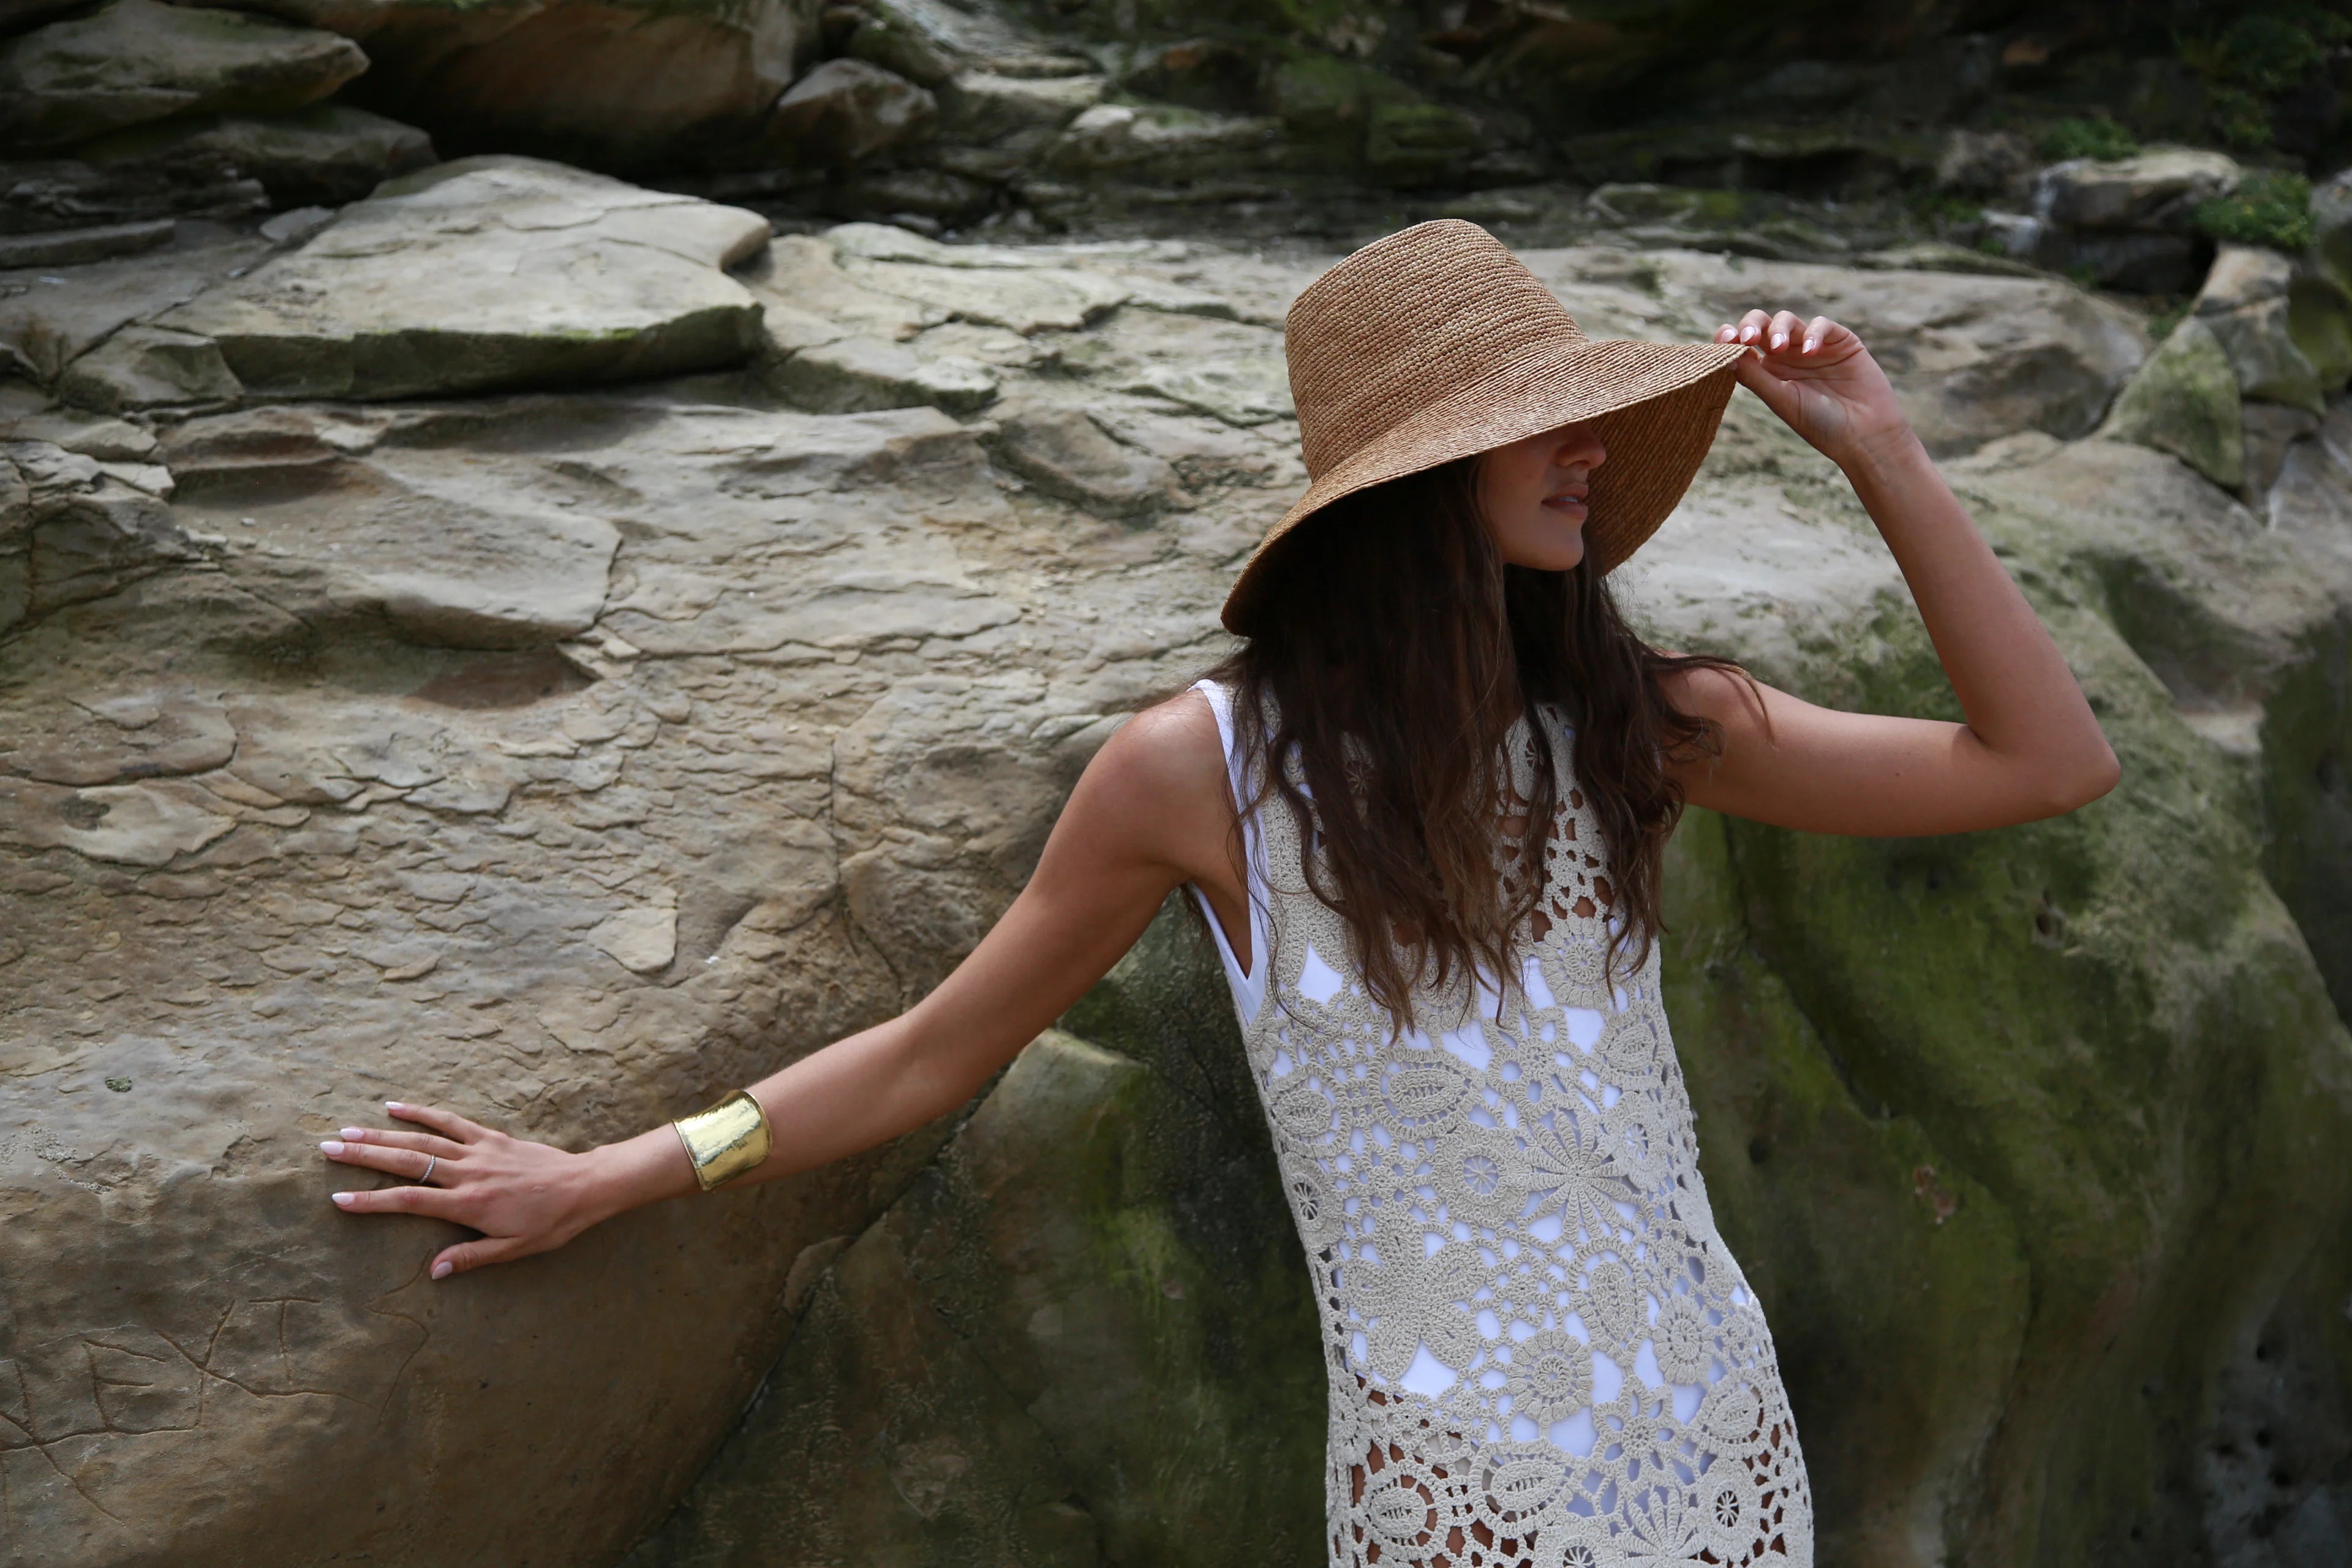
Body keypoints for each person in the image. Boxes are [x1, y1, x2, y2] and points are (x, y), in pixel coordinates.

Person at [321, 221, 2117, 1566]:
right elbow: (936, 1051)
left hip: (1717, 1436)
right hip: (1457, 1489)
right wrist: (619, 1172)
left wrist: (1882, 449)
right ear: (1417, 481)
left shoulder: (1641, 725)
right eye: (1544, 427)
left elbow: (2046, 764)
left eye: (1596, 422)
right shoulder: (1198, 772)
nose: (1592, 454)